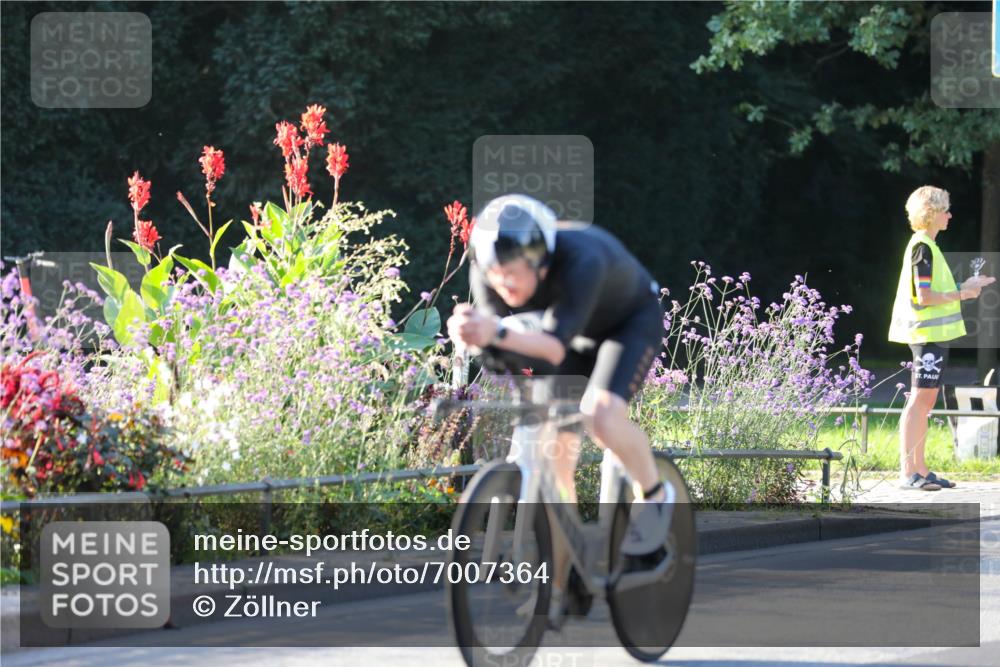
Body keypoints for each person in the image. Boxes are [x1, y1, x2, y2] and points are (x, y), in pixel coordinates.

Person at [446, 194, 670, 623]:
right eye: (495, 276)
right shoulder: (487, 269)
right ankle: (566, 580)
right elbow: (501, 337)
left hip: (625, 324)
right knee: (554, 461)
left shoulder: (580, 259)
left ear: (541, 261)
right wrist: (472, 334)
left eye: (512, 275)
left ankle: (656, 497)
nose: (503, 286)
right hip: (563, 334)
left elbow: (548, 345)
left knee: (600, 415)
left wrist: (493, 331)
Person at [888, 185, 995, 490]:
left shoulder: (927, 247)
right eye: (945, 209)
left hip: (933, 337)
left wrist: (967, 284)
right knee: (920, 401)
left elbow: (933, 291)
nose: (950, 214)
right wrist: (964, 292)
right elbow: (924, 297)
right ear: (931, 213)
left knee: (925, 400)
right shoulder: (922, 247)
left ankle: (920, 469)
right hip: (926, 336)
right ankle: (909, 472)